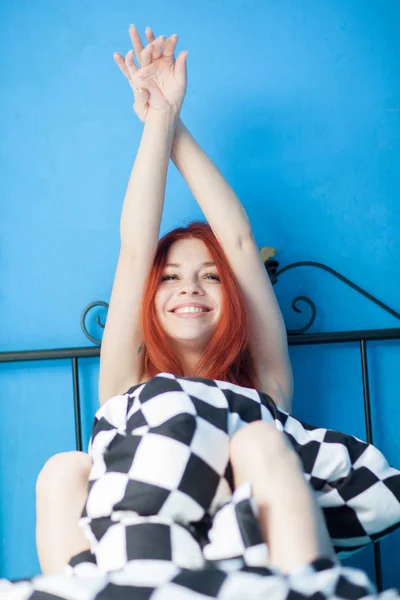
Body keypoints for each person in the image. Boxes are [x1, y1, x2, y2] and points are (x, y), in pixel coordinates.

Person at [29, 27, 400, 600]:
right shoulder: (126, 385)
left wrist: (173, 117)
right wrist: (156, 121)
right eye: (171, 277)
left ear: (234, 296)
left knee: (258, 443)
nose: (190, 288)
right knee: (62, 468)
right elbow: (134, 250)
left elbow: (240, 240)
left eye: (209, 277)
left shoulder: (264, 383)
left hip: (253, 543)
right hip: (140, 540)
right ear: (149, 300)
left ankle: (307, 588)